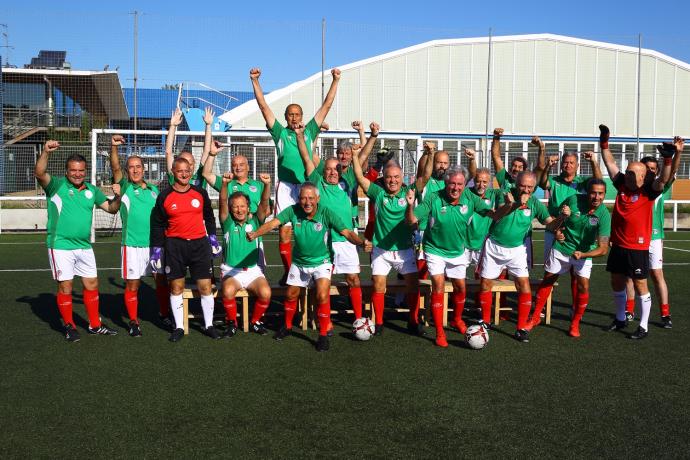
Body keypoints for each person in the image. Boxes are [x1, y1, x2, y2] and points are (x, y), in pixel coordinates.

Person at [247, 181, 366, 352]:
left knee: (322, 295)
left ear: (317, 198)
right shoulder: (293, 211)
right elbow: (274, 223)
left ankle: (323, 334)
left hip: (322, 261)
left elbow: (346, 232)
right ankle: (287, 326)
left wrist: (361, 242)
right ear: (298, 199)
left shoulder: (326, 213)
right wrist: (255, 233)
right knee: (290, 294)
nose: (307, 202)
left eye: (311, 198)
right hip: (300, 262)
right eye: (303, 198)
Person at [250, 67, 341, 284]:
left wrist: (336, 80)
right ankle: (289, 271)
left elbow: (326, 106)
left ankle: (319, 265)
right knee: (284, 233)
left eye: (297, 114)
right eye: (290, 114)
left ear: (302, 116)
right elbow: (263, 107)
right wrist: (255, 81)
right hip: (286, 187)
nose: (294, 117)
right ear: (285, 117)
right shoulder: (280, 133)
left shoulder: (309, 130)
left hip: (308, 186)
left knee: (316, 229)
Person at [34, 140, 122, 341]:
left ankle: (95, 325)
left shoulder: (92, 190)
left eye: (81, 170)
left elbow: (112, 209)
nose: (77, 174)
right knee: (66, 287)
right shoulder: (56, 186)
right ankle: (69, 326)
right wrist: (46, 152)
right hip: (61, 246)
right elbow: (39, 173)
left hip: (84, 247)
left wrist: (117, 197)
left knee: (92, 284)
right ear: (67, 171)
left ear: (85, 171)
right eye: (73, 170)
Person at [599, 124, 680, 339]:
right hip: (618, 245)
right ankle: (620, 318)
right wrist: (604, 140)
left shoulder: (649, 192)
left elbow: (663, 179)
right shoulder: (621, 185)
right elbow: (609, 161)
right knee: (616, 282)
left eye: (633, 174)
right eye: (627, 172)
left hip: (638, 248)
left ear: (643, 177)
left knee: (640, 283)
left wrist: (668, 159)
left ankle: (643, 326)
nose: (627, 176)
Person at [351, 133, 435, 336]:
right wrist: (355, 156)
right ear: (384, 178)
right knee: (379, 284)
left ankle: (412, 322)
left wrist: (430, 154)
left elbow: (425, 177)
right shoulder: (378, 193)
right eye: (389, 177)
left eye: (396, 177)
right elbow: (360, 178)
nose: (392, 181)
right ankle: (378, 323)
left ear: (402, 178)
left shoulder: (409, 190)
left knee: (413, 284)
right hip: (381, 249)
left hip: (404, 250)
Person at [405, 166, 494, 347]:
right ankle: (439, 332)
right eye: (452, 183)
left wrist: (510, 206)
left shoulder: (471, 198)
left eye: (460, 184)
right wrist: (409, 205)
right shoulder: (433, 197)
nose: (456, 188)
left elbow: (493, 214)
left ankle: (457, 319)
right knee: (438, 285)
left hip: (457, 251)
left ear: (464, 185)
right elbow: (412, 220)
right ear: (446, 183)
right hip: (434, 249)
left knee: (460, 287)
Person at [299, 122, 378, 322]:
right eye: (329, 169)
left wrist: (372, 135)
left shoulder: (349, 178)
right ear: (324, 171)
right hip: (324, 240)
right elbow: (307, 155)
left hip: (347, 239)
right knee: (322, 283)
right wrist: (306, 134)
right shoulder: (317, 181)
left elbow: (363, 156)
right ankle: (322, 320)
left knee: (353, 279)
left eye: (336, 169)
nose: (333, 172)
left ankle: (359, 318)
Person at [477, 171, 563, 343]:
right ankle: (485, 321)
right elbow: (500, 214)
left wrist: (562, 218)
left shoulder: (536, 203)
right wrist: (516, 204)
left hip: (517, 249)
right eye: (523, 185)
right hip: (494, 245)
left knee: (523, 285)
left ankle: (521, 327)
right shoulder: (505, 194)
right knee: (486, 283)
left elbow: (551, 224)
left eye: (530, 187)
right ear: (516, 183)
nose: (526, 189)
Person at [526, 178, 611, 338]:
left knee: (583, 287)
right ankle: (535, 316)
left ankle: (575, 322)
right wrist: (558, 230)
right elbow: (556, 222)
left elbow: (603, 249)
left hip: (584, 253)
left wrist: (584, 254)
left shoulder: (604, 215)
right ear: (587, 192)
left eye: (600, 194)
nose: (596, 197)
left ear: (604, 194)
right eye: (593, 192)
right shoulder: (573, 200)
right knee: (548, 279)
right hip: (562, 248)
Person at [150, 157, 222, 342]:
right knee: (176, 287)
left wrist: (212, 237)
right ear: (173, 172)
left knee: (206, 287)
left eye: (187, 171)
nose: (184, 174)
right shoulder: (164, 196)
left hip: (199, 245)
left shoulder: (200, 193)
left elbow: (209, 216)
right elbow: (157, 224)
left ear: (191, 171)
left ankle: (209, 325)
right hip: (175, 246)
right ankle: (179, 327)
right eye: (180, 171)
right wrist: (157, 249)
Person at [109, 134, 169, 337]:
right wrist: (114, 148)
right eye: (131, 167)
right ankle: (134, 321)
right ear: (128, 171)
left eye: (138, 167)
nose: (135, 170)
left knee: (160, 280)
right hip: (132, 246)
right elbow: (115, 168)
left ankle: (164, 313)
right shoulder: (125, 187)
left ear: (144, 169)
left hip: (154, 245)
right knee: (133, 284)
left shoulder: (153, 190)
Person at [538, 147, 603, 314]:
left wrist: (594, 161)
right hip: (554, 228)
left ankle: (576, 307)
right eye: (565, 162)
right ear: (561, 165)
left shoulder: (582, 183)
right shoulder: (555, 181)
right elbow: (542, 182)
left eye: (571, 163)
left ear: (577, 165)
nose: (568, 165)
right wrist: (547, 167)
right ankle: (543, 306)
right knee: (550, 273)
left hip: (574, 233)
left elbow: (599, 181)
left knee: (577, 272)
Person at [623, 152, 682, 328]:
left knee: (657, 274)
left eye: (653, 169)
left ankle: (665, 313)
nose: (650, 171)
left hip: (654, 237)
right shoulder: (633, 188)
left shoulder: (659, 187)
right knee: (630, 275)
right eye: (647, 168)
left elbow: (672, 171)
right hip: (634, 237)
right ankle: (629, 310)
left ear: (656, 172)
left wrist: (677, 153)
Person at [218, 171, 272, 337]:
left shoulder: (255, 221)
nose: (239, 210)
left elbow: (264, 204)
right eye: (235, 206)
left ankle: (255, 321)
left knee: (266, 293)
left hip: (253, 271)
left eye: (242, 206)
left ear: (248, 207)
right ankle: (232, 322)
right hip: (231, 271)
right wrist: (225, 185)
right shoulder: (227, 222)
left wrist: (267, 185)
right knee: (227, 291)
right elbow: (222, 202)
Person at [414, 147, 451, 279]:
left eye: (445, 163)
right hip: (424, 231)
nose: (442, 166)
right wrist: (426, 153)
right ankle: (415, 300)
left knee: (445, 273)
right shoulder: (426, 181)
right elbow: (421, 169)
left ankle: (445, 300)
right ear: (433, 163)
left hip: (445, 233)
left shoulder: (451, 183)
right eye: (439, 162)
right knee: (420, 272)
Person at [164, 107, 209, 188]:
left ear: (194, 164)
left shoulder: (200, 176)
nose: (187, 167)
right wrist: (173, 126)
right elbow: (168, 153)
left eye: (190, 164)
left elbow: (206, 151)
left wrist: (208, 125)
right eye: (184, 163)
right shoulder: (175, 177)